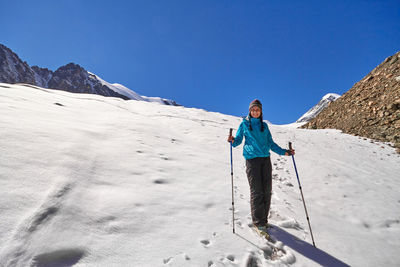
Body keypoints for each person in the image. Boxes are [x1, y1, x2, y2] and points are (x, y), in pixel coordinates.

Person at [227, 99, 294, 234]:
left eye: (258, 110)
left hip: (265, 159)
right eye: (253, 110)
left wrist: (285, 152)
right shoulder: (244, 124)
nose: (255, 112)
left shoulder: (265, 126)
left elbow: (271, 143)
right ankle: (258, 222)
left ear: (261, 111)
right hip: (252, 160)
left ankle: (264, 219)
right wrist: (232, 140)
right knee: (256, 190)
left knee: (267, 189)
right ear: (250, 111)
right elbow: (238, 141)